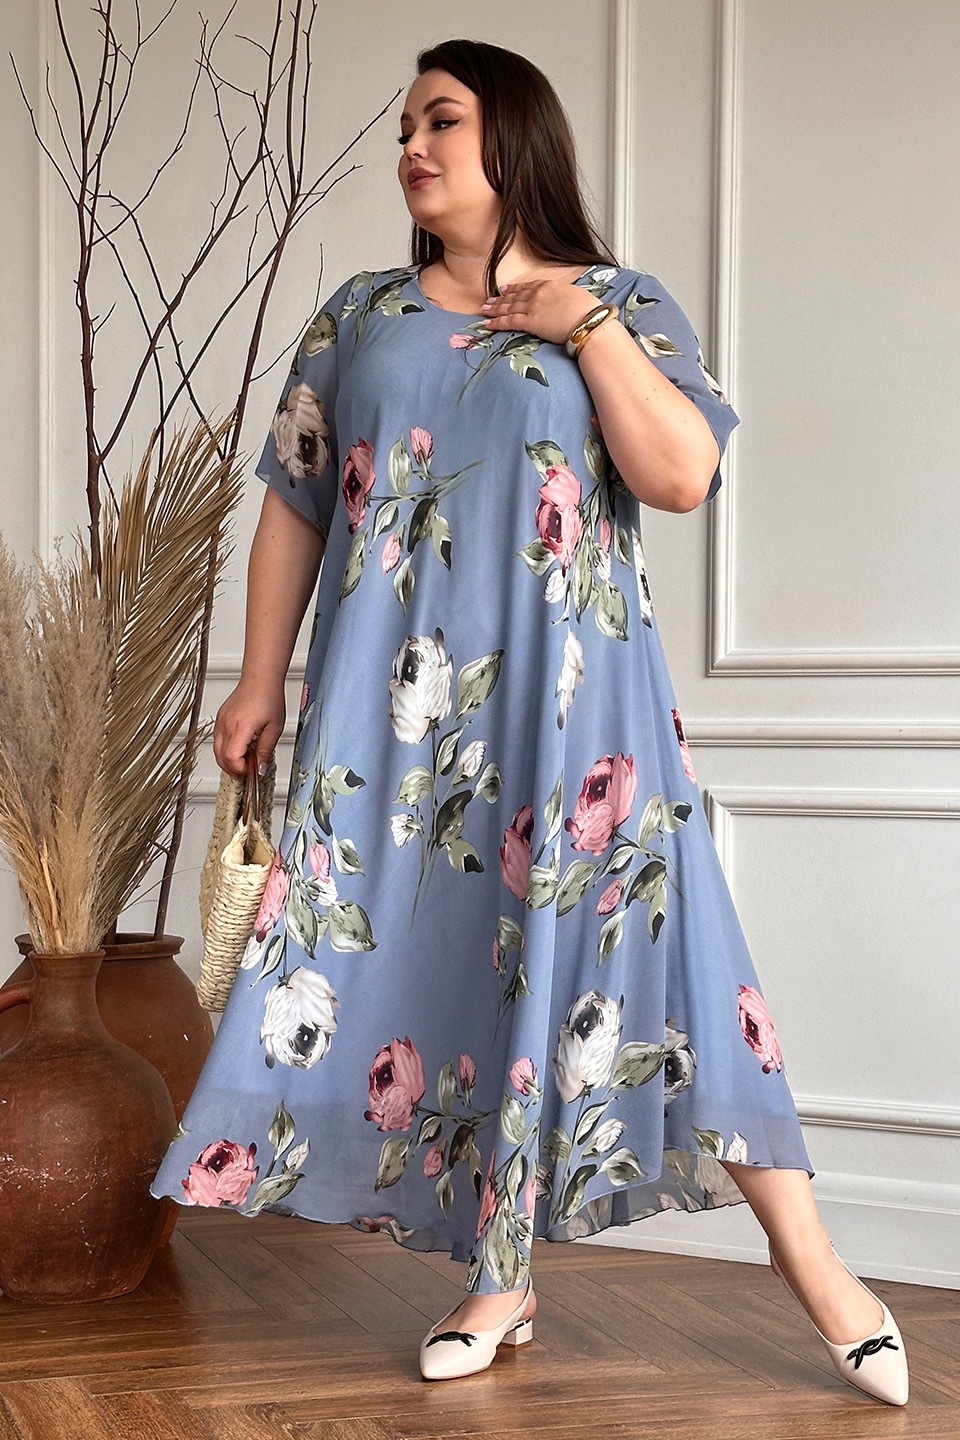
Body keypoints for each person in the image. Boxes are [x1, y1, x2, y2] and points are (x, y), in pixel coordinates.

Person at [151, 39, 908, 1403]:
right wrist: (256, 682)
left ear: (515, 138)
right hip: (396, 724)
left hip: (581, 722)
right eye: (405, 126)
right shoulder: (359, 317)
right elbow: (295, 502)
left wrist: (585, 328)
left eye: (441, 120)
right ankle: (500, 1277)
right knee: (455, 974)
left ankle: (820, 1270)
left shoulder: (621, 301)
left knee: (683, 970)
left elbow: (681, 475)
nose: (411, 147)